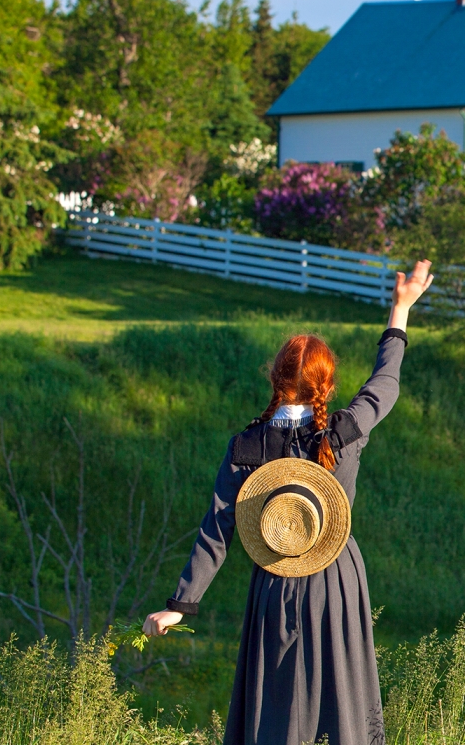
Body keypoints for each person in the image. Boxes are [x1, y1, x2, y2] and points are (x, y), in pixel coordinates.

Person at [144, 260, 435, 745]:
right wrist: (399, 309)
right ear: (327, 382)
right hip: (337, 576)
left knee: (278, 707)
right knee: (341, 699)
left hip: (274, 580)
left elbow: (217, 528)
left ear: (276, 379)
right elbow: (387, 383)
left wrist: (182, 604)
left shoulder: (248, 444)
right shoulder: (344, 431)